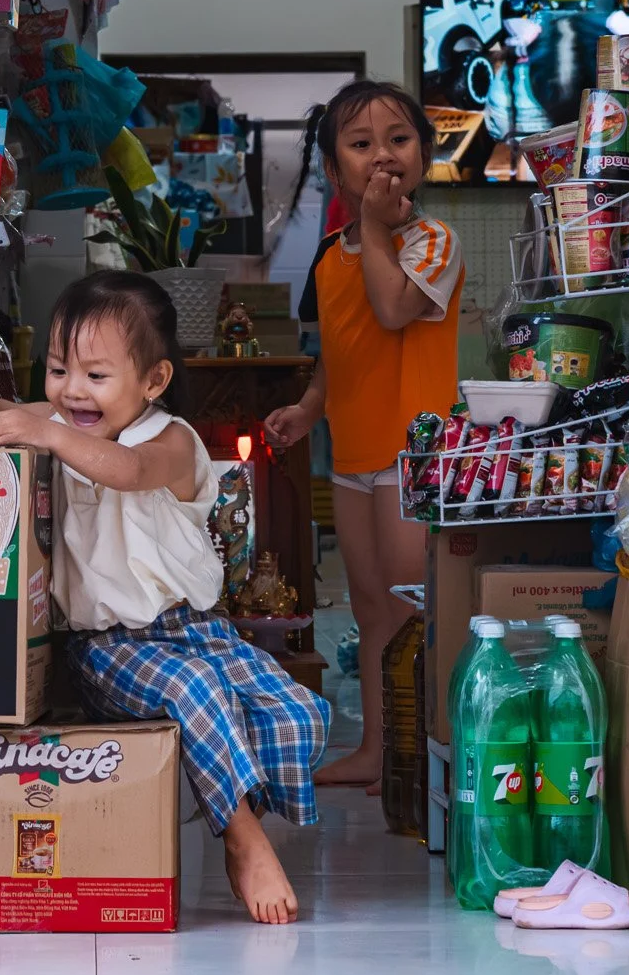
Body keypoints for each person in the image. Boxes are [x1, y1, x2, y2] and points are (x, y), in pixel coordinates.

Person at [0, 270, 329, 926]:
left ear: (154, 381)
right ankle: (240, 837)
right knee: (195, 689)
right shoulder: (63, 420)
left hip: (198, 627)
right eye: (58, 369)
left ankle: (238, 801)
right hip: (108, 646)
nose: (71, 391)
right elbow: (2, 414)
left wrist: (51, 430)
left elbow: (126, 470)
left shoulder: (170, 441)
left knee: (295, 711)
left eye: (95, 375)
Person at [266, 80, 461, 788]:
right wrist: (308, 409)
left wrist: (377, 229)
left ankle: (427, 753)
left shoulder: (435, 240)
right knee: (373, 609)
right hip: (351, 455)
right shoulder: (329, 257)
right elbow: (340, 352)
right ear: (331, 167)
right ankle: (380, 751)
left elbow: (391, 310)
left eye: (399, 139)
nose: (382, 155)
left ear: (425, 153)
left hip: (414, 456)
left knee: (417, 608)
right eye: (361, 144)